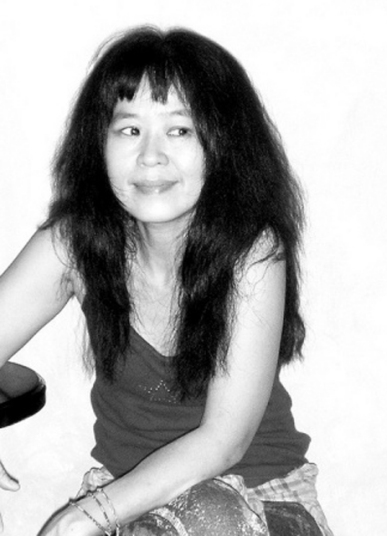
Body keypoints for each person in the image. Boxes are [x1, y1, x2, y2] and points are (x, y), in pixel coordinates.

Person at [0, 26, 333, 536]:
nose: (150, 155)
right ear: (99, 143)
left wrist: (79, 518)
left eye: (179, 130)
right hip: (131, 505)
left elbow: (223, 442)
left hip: (260, 501)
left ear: (222, 145)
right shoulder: (75, 243)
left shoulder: (252, 250)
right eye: (129, 130)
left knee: (211, 517)